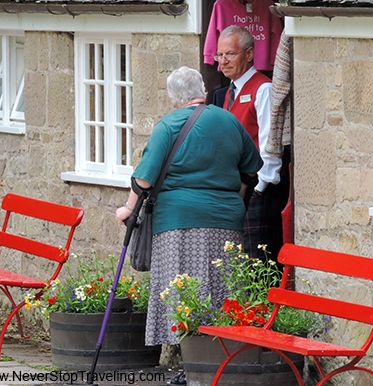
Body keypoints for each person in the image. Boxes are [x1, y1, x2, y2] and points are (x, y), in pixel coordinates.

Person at [115, 67, 262, 384]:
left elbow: (143, 180)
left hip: (178, 224)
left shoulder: (168, 125)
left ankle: (193, 367)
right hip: (226, 223)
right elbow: (253, 169)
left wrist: (127, 209)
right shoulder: (229, 121)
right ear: (204, 90)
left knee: (184, 294)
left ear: (173, 97)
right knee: (223, 291)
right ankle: (219, 363)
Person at [215, 25, 290, 262]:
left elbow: (271, 143)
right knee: (236, 262)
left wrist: (259, 188)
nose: (223, 61)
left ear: (249, 55)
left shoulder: (263, 88)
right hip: (236, 190)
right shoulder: (229, 92)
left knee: (258, 263)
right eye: (220, 55)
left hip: (259, 191)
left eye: (230, 54)